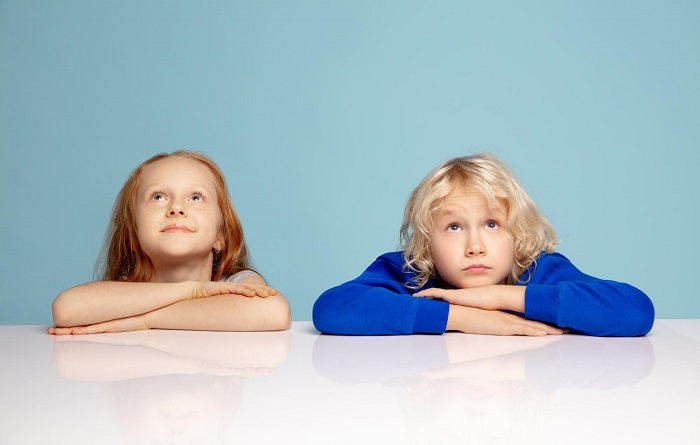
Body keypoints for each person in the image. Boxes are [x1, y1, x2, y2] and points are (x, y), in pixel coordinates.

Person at [313, 153, 654, 337]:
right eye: (454, 226)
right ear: (427, 243)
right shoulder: (409, 273)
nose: (474, 246)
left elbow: (635, 311)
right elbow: (331, 309)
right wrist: (462, 317)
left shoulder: (538, 269)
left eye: (492, 224)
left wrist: (500, 298)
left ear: (516, 232)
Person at [50, 151, 291, 335]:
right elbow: (66, 309)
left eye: (196, 197)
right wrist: (191, 290)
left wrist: (147, 320)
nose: (176, 208)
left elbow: (274, 311)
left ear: (221, 236)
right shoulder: (123, 292)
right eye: (158, 197)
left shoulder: (235, 283)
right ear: (133, 233)